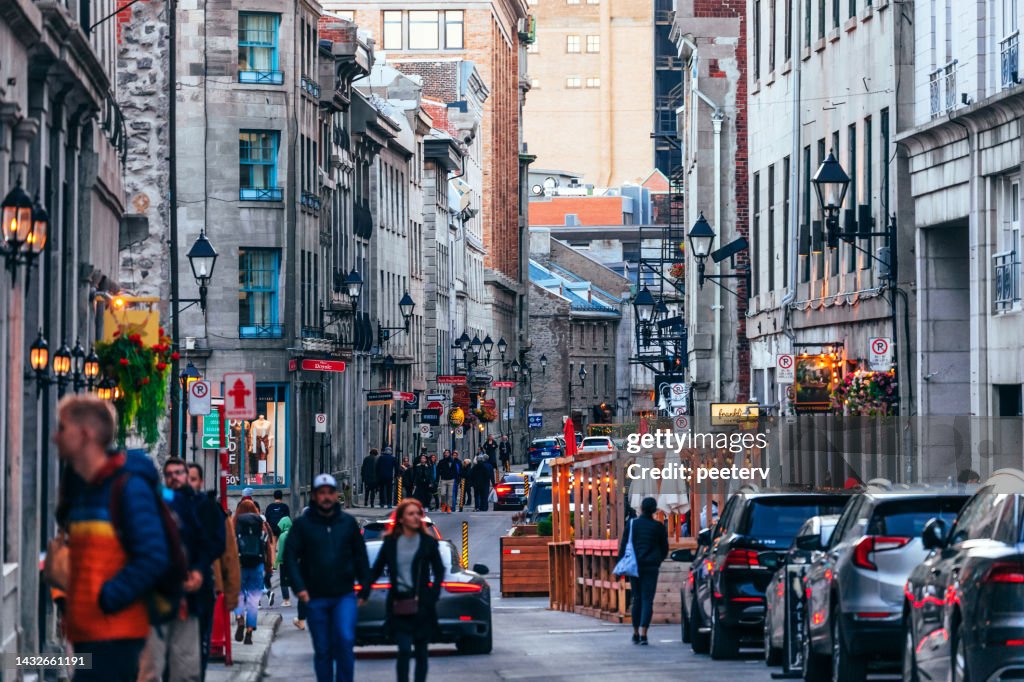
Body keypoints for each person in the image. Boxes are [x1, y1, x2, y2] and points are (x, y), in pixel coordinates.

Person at [51, 395, 169, 681]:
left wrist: (106, 598)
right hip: (87, 633)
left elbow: (154, 556)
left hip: (115, 634)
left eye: (62, 428)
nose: (56, 437)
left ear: (85, 434)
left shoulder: (128, 487)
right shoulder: (84, 486)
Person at [137, 457, 221, 682]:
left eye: (179, 473)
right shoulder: (153, 506)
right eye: (170, 474)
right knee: (153, 666)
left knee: (187, 663)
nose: (175, 478)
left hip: (191, 596)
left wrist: (199, 571)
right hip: (156, 596)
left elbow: (213, 544)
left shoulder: (201, 506)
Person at [284, 474, 370, 682]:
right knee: (322, 648)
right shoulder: (303, 525)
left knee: (345, 640)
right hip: (315, 596)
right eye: (321, 493)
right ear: (314, 496)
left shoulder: (347, 523)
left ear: (336, 495)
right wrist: (299, 588)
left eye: (329, 492)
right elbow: (290, 556)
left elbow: (360, 557)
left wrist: (365, 586)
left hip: (344, 595)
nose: (326, 497)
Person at [359, 499, 444, 682]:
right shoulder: (390, 542)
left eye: (417, 514)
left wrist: (433, 595)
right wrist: (364, 593)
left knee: (421, 652)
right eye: (410, 514)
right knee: (404, 650)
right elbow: (375, 570)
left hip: (422, 605)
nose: (415, 517)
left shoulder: (428, 542)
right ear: (401, 519)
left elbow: (439, 571)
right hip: (398, 604)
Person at [187, 463, 235, 681]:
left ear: (200, 482)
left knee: (200, 644)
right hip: (174, 593)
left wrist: (231, 593)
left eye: (193, 478)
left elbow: (228, 554)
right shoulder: (167, 509)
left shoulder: (211, 510)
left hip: (206, 588)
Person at [618, 497, 669, 645]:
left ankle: (635, 632)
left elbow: (624, 545)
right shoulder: (658, 527)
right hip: (651, 566)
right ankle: (644, 634)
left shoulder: (632, 524)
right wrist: (658, 560)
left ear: (641, 508)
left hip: (635, 565)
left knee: (637, 598)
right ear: (654, 510)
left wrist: (621, 563)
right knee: (648, 599)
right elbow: (664, 547)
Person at [233, 499, 272, 645]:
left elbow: (229, 547)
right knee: (253, 600)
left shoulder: (235, 523)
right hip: (257, 565)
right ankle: (249, 631)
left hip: (239, 564)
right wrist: (268, 568)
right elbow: (268, 548)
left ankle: (239, 618)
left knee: (239, 594)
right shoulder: (261, 525)